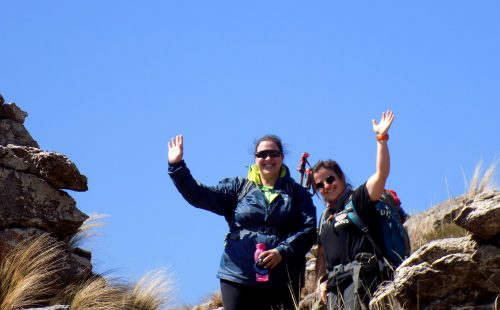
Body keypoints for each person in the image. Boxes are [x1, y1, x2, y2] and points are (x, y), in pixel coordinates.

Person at [168, 134, 317, 310]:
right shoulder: (239, 188)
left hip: (282, 277)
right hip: (237, 274)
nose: (268, 158)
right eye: (262, 154)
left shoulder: (298, 194)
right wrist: (177, 166)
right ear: (255, 158)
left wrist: (281, 251)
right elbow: (200, 196)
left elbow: (308, 230)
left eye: (273, 153)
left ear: (282, 157)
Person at [313, 110, 395, 310]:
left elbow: (381, 175)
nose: (326, 186)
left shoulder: (357, 199)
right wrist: (320, 282)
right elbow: (322, 254)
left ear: (341, 177)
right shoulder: (324, 218)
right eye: (320, 185)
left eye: (330, 179)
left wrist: (381, 139)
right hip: (334, 287)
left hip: (362, 279)